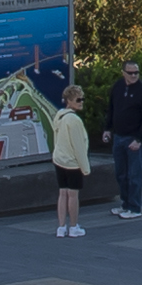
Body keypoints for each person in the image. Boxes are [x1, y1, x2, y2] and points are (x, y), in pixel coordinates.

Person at [103, 58, 142, 219]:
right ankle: (125, 203)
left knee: (134, 175)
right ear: (123, 73)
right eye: (130, 73)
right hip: (119, 137)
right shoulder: (118, 87)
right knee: (121, 173)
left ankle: (134, 207)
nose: (133, 76)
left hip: (133, 138)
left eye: (136, 73)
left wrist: (139, 139)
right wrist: (107, 128)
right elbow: (111, 108)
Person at [48, 88, 90, 236]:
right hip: (72, 162)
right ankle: (73, 226)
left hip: (59, 159)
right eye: (78, 100)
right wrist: (85, 168)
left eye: (82, 99)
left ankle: (61, 227)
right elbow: (78, 146)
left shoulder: (59, 116)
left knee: (62, 193)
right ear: (69, 101)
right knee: (73, 195)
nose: (81, 102)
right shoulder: (74, 120)